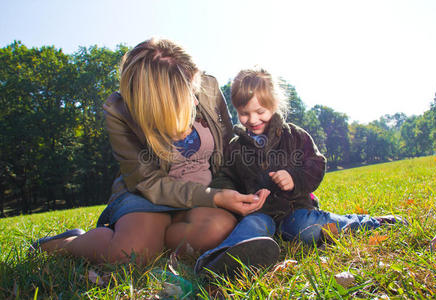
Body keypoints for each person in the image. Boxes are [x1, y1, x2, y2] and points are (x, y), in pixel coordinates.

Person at [30, 39, 278, 270]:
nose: (195, 101)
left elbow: (226, 146)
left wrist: (233, 187)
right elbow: (148, 182)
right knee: (131, 255)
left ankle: (156, 237)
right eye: (186, 94)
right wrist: (216, 198)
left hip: (204, 191)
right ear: (156, 103)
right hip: (148, 195)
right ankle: (64, 244)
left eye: (194, 89)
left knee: (218, 230)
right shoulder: (119, 111)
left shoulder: (208, 85)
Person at [195, 68, 407, 274]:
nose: (252, 120)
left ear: (274, 105)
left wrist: (294, 178)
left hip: (295, 210)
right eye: (244, 114)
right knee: (251, 227)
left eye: (260, 112)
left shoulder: (295, 136)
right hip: (259, 213)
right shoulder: (236, 146)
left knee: (308, 229)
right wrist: (236, 196)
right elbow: (224, 178)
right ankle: (219, 260)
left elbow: (316, 164)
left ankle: (371, 223)